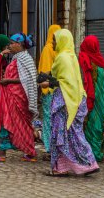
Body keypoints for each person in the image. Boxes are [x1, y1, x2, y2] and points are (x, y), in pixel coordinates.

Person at [39, 29, 99, 176]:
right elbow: (69, 80)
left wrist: (48, 84)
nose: (52, 43)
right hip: (76, 99)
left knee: (62, 134)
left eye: (55, 40)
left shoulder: (62, 58)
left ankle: (78, 164)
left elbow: (63, 82)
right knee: (73, 134)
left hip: (65, 101)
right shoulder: (72, 57)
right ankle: (80, 164)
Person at [0, 33, 38, 162]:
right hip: (10, 97)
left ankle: (3, 152)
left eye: (12, 43)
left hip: (18, 98)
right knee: (13, 123)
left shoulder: (25, 59)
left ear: (19, 44)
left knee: (12, 123)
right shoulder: (17, 58)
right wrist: (0, 85)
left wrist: (7, 80)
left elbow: (27, 79)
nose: (9, 45)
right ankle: (28, 152)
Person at [79, 35, 104, 162]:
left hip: (90, 99)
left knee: (88, 124)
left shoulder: (84, 60)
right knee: (97, 125)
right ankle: (97, 153)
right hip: (102, 102)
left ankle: (88, 153)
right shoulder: (102, 62)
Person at [38, 24, 61, 154]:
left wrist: (45, 86)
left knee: (48, 119)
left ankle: (49, 148)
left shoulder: (48, 49)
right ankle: (55, 147)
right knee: (56, 119)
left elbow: (45, 71)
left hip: (50, 90)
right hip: (59, 89)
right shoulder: (62, 50)